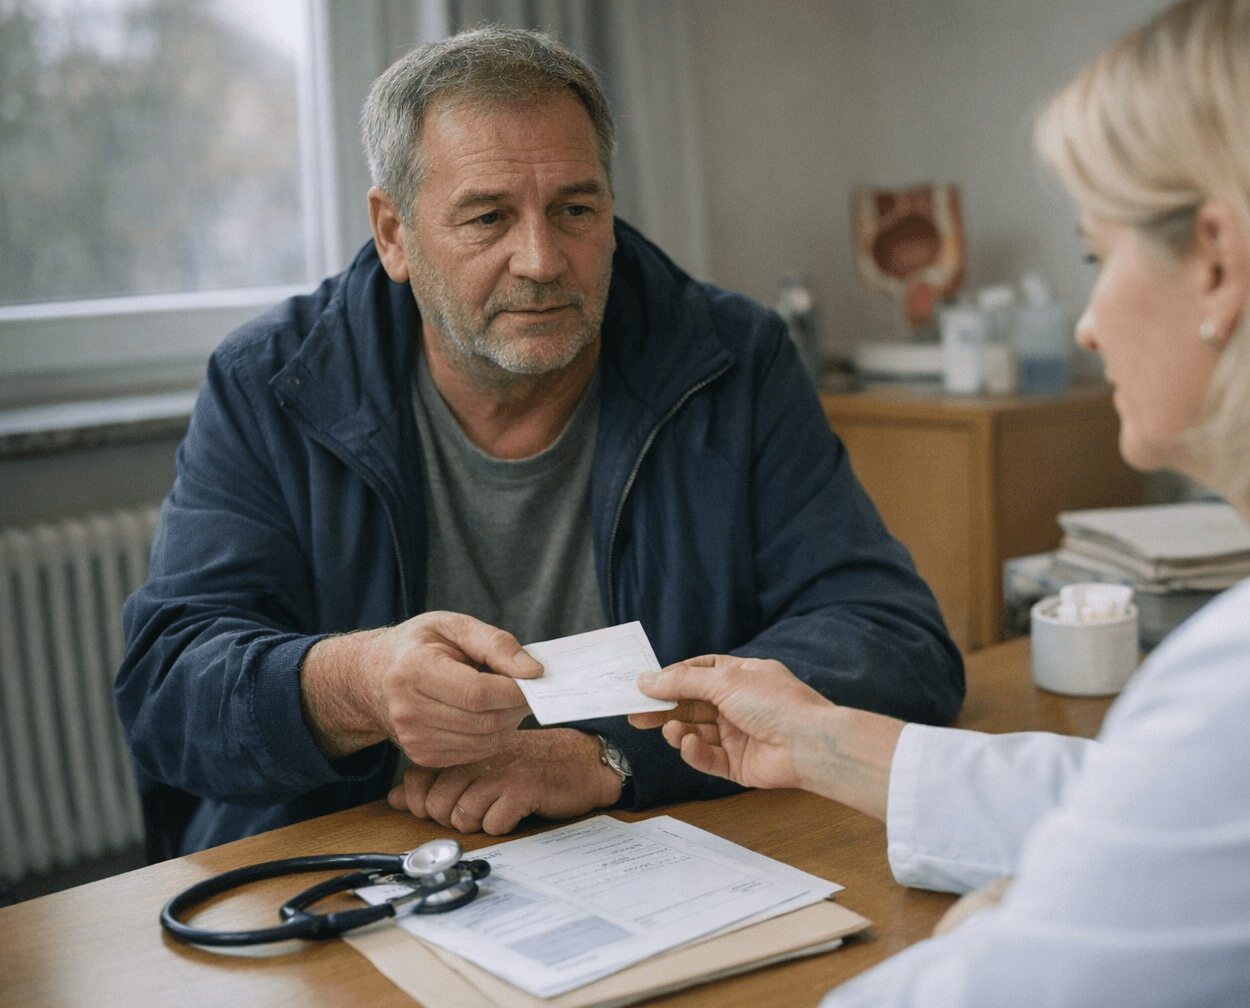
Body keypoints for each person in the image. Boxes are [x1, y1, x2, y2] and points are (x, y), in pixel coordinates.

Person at [630, 0, 1250, 1008]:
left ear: (1219, 265)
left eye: (1100, 258)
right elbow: (1190, 808)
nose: (1091, 325)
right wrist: (824, 740)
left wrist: (994, 929)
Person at [113, 27, 962, 858]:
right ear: (394, 234)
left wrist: (611, 751)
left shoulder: (730, 358)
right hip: (361, 864)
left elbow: (892, 641)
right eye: (486, 217)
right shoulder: (270, 383)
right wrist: (358, 684)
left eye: (575, 209)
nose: (542, 259)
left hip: (653, 852)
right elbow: (166, 691)